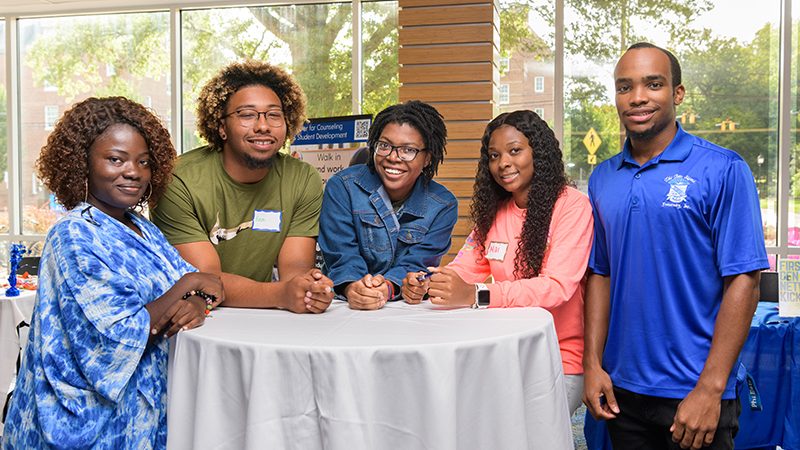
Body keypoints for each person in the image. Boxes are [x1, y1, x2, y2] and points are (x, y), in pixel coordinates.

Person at [2, 97, 223, 449]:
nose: (133, 171)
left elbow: (210, 286)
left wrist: (197, 300)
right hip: (84, 422)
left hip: (143, 412)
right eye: (115, 159)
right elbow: (118, 335)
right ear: (83, 165)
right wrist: (188, 285)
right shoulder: (74, 234)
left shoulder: (142, 228)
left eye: (143, 161)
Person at [583, 42, 769, 450]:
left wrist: (710, 389)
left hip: (694, 391)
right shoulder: (602, 178)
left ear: (677, 93)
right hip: (622, 390)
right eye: (624, 86)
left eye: (653, 84)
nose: (637, 98)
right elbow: (600, 273)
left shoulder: (722, 168)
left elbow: (744, 281)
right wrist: (592, 364)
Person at [415, 109, 593, 414]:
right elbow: (464, 268)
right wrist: (429, 283)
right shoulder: (495, 212)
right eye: (494, 156)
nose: (503, 163)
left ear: (539, 153)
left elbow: (557, 287)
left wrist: (478, 294)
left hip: (558, 356)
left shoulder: (572, 206)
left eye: (514, 151)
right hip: (504, 349)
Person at [151, 60, 334, 312]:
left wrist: (309, 290)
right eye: (247, 115)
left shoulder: (302, 179)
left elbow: (294, 273)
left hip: (263, 316)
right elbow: (206, 280)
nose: (263, 125)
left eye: (274, 115)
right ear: (222, 127)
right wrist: (282, 294)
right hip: (195, 316)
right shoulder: (178, 179)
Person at [319, 101, 457, 309]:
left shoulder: (443, 205)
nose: (393, 157)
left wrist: (388, 287)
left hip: (403, 309)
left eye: (408, 150)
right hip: (342, 305)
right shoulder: (342, 187)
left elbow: (418, 263)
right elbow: (341, 255)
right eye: (384, 146)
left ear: (427, 158)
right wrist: (353, 287)